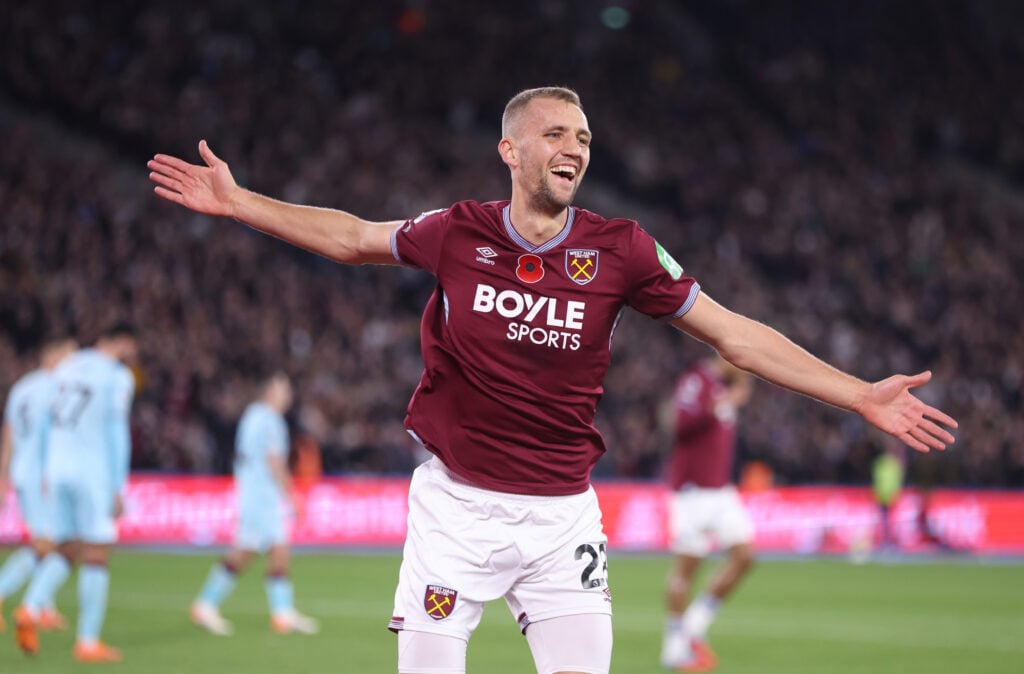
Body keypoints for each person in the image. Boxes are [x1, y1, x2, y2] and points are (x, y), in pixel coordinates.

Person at [148, 86, 958, 674]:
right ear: (511, 149)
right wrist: (244, 203)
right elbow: (356, 236)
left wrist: (856, 393)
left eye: (586, 138)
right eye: (558, 133)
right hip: (455, 511)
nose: (576, 147)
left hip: (562, 518)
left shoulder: (624, 248)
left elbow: (734, 335)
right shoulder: (458, 231)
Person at [14, 323, 137, 663]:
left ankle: (30, 607)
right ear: (122, 343)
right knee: (97, 551)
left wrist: (42, 468)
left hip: (56, 469)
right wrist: (118, 485)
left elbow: (42, 423)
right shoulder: (116, 375)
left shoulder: (65, 369)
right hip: (91, 471)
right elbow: (116, 430)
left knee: (66, 547)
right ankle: (87, 642)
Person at [190, 371, 319, 636]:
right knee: (254, 551)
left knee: (270, 550)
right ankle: (207, 604)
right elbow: (273, 461)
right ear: (269, 391)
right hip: (261, 497)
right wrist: (292, 496)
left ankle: (280, 613)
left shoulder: (252, 416)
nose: (288, 395)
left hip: (254, 493)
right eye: (283, 389)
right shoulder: (270, 420)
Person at [660, 354, 755, 671]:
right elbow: (680, 425)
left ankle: (695, 626)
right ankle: (674, 647)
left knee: (745, 556)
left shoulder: (720, 386)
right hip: (692, 491)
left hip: (720, 490)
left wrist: (728, 397)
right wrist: (722, 401)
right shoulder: (696, 380)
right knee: (688, 569)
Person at [0, 337, 77, 633]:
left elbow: (9, 433)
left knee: (46, 540)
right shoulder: (56, 388)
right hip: (42, 474)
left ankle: (44, 605)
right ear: (54, 353)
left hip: (22, 471)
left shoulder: (22, 387)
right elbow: (50, 434)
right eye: (69, 354)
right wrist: (50, 472)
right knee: (52, 543)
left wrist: (4, 475)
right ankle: (18, 596)